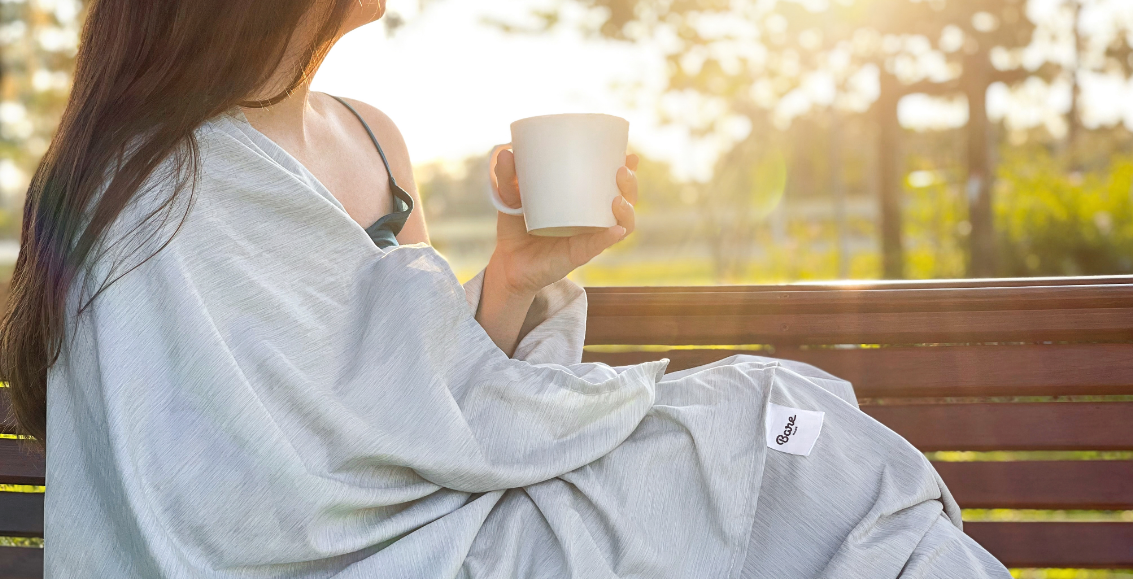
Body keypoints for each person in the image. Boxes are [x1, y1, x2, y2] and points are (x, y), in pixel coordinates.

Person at [0, 1, 1011, 577]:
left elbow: (421, 399)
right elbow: (231, 480)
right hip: (358, 552)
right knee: (786, 450)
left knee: (798, 437)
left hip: (444, 505)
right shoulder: (143, 184)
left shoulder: (370, 136)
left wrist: (519, 271)